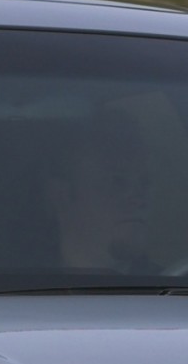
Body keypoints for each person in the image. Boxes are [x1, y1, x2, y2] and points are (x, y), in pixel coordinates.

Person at [43, 107, 152, 272]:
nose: (139, 199)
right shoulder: (13, 292)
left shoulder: (185, 289)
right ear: (61, 196)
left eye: (146, 182)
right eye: (117, 181)